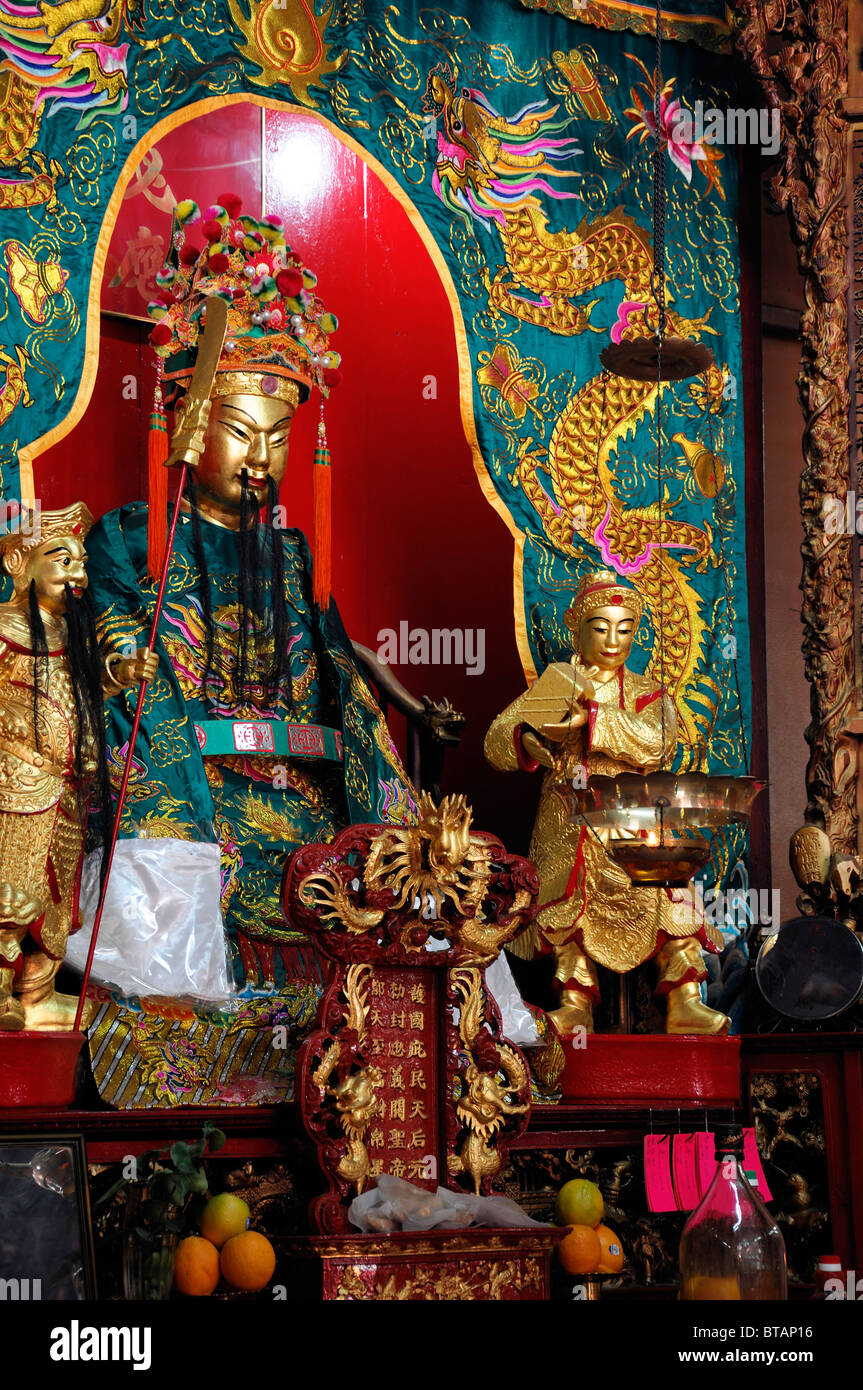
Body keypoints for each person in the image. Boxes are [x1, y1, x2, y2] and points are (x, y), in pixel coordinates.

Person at [484, 567, 728, 1036]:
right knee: (565, 903)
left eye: (625, 629)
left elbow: (657, 743)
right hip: (571, 824)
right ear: (578, 630)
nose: (613, 641)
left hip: (634, 819)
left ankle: (686, 999)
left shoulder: (646, 692)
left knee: (671, 901)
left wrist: (593, 717)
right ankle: (575, 1002)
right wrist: (525, 739)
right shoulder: (556, 684)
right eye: (601, 628)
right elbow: (495, 739)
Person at [0, 503, 154, 1029]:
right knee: (12, 891)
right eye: (61, 560)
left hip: (67, 791)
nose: (77, 574)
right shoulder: (5, 626)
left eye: (81, 562)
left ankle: (37, 993)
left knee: (55, 904)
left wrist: (121, 673)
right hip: (17, 785)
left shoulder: (73, 635)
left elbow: (89, 688)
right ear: (18, 562)